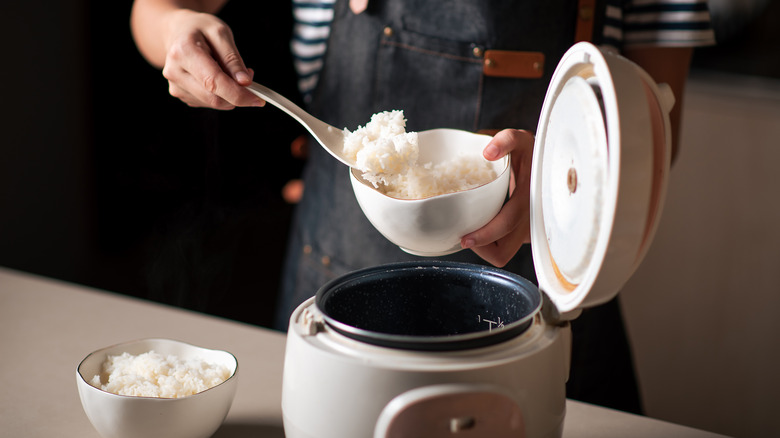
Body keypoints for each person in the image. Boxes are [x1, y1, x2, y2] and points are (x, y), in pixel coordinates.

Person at [130, 0, 714, 414]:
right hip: (335, 282)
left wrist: (569, 170)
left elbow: (657, 127)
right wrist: (179, 31)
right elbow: (155, 10)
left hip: (543, 292)